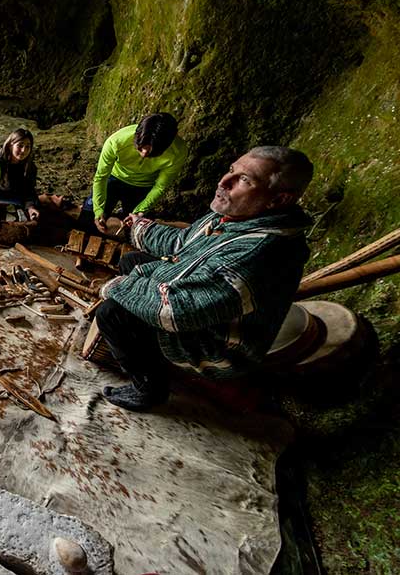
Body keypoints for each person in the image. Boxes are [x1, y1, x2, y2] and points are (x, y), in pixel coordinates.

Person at [96, 146, 315, 412]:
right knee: (131, 261)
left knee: (113, 313)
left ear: (278, 199)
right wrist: (140, 227)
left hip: (217, 344)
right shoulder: (238, 216)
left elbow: (175, 310)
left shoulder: (261, 252)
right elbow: (183, 243)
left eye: (244, 180)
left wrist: (120, 288)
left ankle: (149, 388)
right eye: (231, 170)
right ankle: (141, 343)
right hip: (200, 309)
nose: (224, 182)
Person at [82, 112, 188, 233]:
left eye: (151, 153)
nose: (143, 154)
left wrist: (140, 211)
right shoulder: (117, 141)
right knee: (87, 220)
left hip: (143, 185)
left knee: (136, 230)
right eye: (140, 148)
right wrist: (98, 211)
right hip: (114, 177)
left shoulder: (178, 152)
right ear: (136, 136)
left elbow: (160, 186)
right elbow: (101, 177)